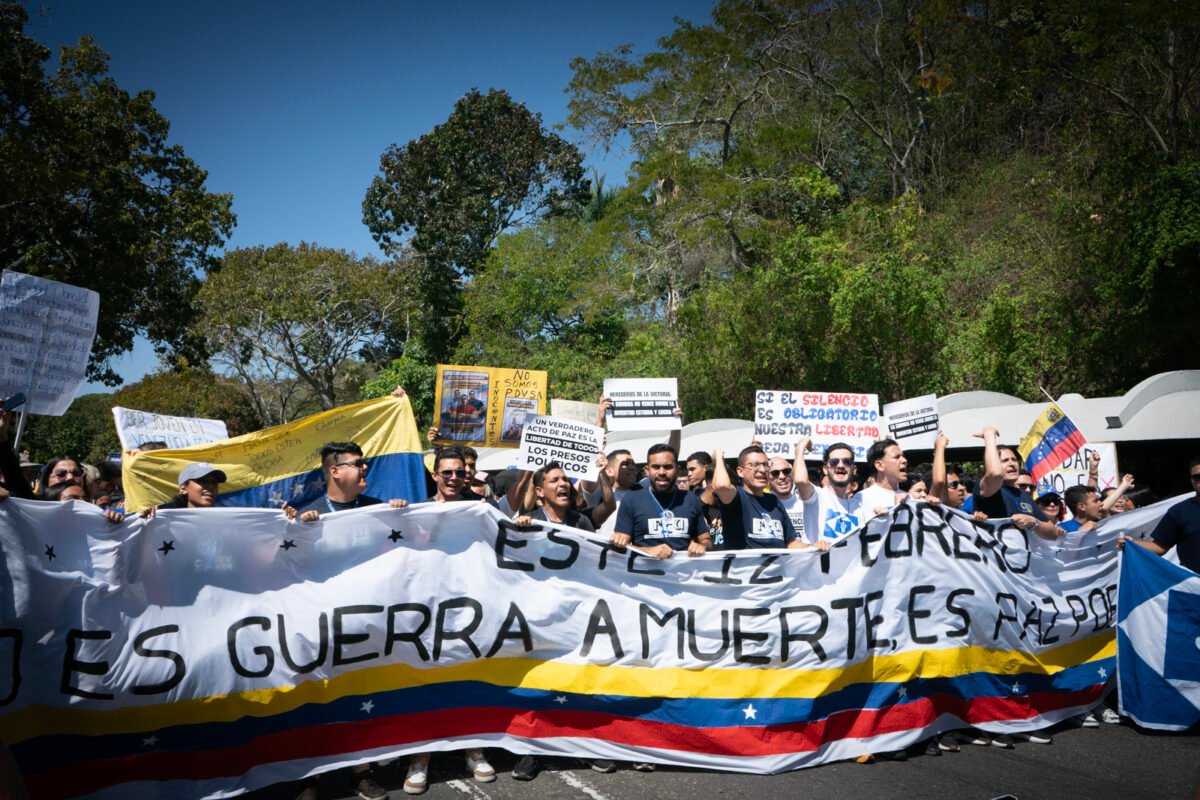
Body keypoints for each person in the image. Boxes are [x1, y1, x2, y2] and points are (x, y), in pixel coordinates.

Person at [508, 461, 617, 781]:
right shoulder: (530, 522)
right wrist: (520, 528)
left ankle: (583, 746)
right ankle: (532, 750)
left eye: (566, 479)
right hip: (538, 617)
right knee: (537, 685)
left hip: (578, 616)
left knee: (580, 682)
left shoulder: (581, 521)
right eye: (555, 480)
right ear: (540, 492)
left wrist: (600, 472)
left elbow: (608, 505)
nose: (564, 484)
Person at [610, 443, 711, 560]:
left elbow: (706, 540)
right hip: (644, 575)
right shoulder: (631, 500)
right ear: (647, 470)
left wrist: (701, 546)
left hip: (683, 575)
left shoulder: (690, 499)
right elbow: (620, 547)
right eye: (656, 467)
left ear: (677, 470)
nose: (662, 472)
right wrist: (648, 551)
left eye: (668, 467)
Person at [709, 445, 811, 550]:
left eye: (766, 464)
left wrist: (813, 547)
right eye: (755, 465)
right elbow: (721, 486)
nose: (762, 470)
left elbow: (791, 543)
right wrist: (719, 457)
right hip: (745, 566)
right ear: (740, 471)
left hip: (778, 566)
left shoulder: (774, 501)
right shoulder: (736, 497)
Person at [971, 428, 1061, 541]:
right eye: (1005, 461)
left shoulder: (1023, 495)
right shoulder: (987, 489)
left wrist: (1033, 522)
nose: (1012, 464)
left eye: (1014, 459)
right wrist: (989, 435)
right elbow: (995, 473)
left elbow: (1052, 533)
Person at [285, 442, 409, 521]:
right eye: (358, 464)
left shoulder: (377, 507)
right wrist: (300, 528)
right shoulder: (308, 516)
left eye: (364, 463)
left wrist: (399, 516)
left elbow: (409, 543)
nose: (365, 467)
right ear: (335, 471)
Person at [1121, 457, 1200, 573]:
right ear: (1191, 480)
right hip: (1194, 585)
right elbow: (1159, 547)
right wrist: (1131, 543)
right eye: (1196, 477)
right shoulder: (1179, 512)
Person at [792, 438, 864, 547]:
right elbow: (800, 480)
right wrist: (801, 447)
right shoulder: (817, 496)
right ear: (825, 469)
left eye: (847, 461)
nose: (840, 465)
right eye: (834, 462)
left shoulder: (859, 505)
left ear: (853, 469)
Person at [858, 439, 908, 515]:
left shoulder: (908, 497)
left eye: (903, 456)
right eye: (897, 457)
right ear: (880, 465)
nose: (904, 460)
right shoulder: (862, 498)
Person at [768, 455, 806, 539]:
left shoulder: (807, 502)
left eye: (786, 471)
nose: (782, 476)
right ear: (767, 478)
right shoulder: (762, 506)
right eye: (775, 473)